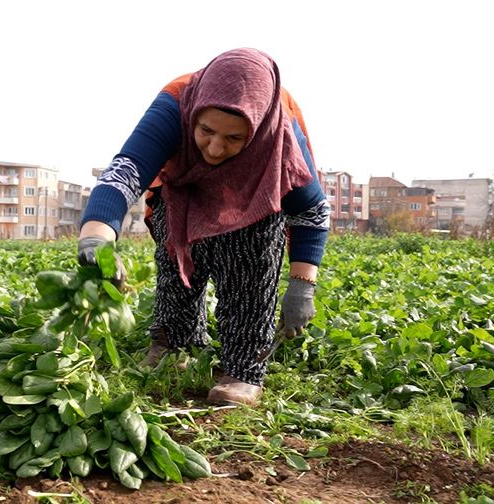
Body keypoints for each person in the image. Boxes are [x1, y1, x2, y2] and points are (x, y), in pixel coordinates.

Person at [76, 48, 329, 407]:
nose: (214, 147)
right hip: (183, 195)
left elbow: (311, 211)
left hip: (254, 200)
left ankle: (243, 368)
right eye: (206, 131)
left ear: (256, 130)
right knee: (175, 273)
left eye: (233, 138)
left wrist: (302, 287)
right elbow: (124, 173)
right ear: (194, 116)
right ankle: (173, 343)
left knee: (249, 273)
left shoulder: (281, 135)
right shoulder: (174, 107)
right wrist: (96, 240)